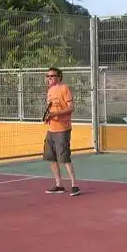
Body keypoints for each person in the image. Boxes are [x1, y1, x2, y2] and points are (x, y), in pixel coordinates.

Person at [42, 67, 80, 196]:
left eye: (52, 76)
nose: (49, 78)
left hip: (62, 129)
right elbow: (51, 109)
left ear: (59, 77)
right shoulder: (50, 91)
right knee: (51, 158)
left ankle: (74, 185)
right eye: (47, 76)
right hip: (51, 129)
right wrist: (49, 117)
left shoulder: (64, 88)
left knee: (64, 158)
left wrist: (56, 114)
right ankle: (59, 185)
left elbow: (71, 107)